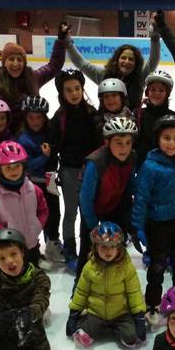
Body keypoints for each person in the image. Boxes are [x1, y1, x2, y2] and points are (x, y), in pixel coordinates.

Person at [131, 115, 175, 325]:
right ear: (158, 139)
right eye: (166, 138)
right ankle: (152, 303)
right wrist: (138, 225)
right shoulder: (150, 166)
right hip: (159, 225)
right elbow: (141, 196)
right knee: (157, 267)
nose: (172, 143)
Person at [76, 116, 138, 285]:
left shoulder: (132, 157)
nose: (124, 148)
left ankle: (118, 284)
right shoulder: (95, 162)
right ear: (107, 142)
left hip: (116, 205)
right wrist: (93, 224)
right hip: (93, 208)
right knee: (88, 250)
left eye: (128, 142)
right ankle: (79, 289)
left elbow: (131, 185)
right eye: (118, 142)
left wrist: (131, 216)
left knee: (118, 246)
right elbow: (86, 198)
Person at [48, 68, 100, 270]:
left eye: (77, 88)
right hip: (68, 170)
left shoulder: (92, 114)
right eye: (68, 90)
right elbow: (53, 149)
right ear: (62, 93)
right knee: (70, 211)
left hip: (90, 170)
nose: (74, 93)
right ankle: (70, 246)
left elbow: (98, 146)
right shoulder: (59, 118)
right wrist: (51, 176)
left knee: (89, 211)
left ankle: (90, 244)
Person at [66, 222, 146, 348]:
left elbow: (134, 292)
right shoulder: (89, 267)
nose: (108, 251)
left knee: (131, 338)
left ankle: (116, 329)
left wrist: (139, 316)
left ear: (119, 247)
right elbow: (81, 292)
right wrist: (74, 313)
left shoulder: (126, 267)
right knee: (81, 335)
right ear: (96, 247)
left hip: (121, 313)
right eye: (103, 247)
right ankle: (95, 325)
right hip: (96, 313)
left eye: (112, 247)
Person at [0, 23, 69, 131]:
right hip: (10, 137)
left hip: (35, 129)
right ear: (4, 63)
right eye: (11, 59)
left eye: (19, 60)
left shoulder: (33, 78)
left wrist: (61, 40)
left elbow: (54, 65)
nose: (15, 63)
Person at [0, 141, 49, 268]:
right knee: (13, 279)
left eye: (17, 166)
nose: (13, 171)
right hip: (10, 250)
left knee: (33, 273)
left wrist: (37, 226)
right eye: (8, 167)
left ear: (23, 166)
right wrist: (4, 233)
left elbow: (43, 210)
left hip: (32, 245)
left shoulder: (34, 190)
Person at [17, 95, 65, 263]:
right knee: (37, 215)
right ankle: (33, 247)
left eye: (39, 117)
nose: (35, 121)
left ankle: (52, 241)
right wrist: (44, 157)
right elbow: (27, 165)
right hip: (34, 182)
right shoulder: (24, 139)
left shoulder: (49, 132)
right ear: (25, 118)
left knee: (55, 212)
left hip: (50, 179)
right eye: (31, 117)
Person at [66, 32, 161, 110]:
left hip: (130, 127)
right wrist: (68, 44)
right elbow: (82, 64)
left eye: (131, 59)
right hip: (105, 124)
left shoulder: (140, 77)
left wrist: (155, 38)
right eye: (123, 58)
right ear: (117, 60)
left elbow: (153, 60)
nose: (126, 61)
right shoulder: (104, 75)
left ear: (136, 63)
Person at [134, 70, 175, 166]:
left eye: (161, 90)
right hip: (141, 167)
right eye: (153, 90)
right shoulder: (138, 114)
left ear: (167, 93)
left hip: (166, 167)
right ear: (147, 92)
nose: (156, 93)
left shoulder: (174, 117)